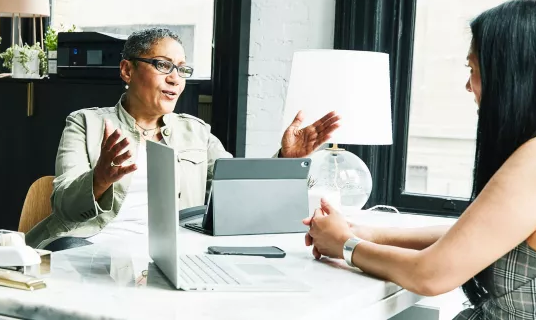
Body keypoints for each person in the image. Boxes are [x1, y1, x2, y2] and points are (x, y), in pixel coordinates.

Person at [303, 0, 536, 319]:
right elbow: (478, 236)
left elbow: (431, 274)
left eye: (472, 69)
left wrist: (345, 245)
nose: (468, 86)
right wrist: (369, 233)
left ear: (512, 76)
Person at [25, 27, 340, 251]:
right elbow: (64, 205)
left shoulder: (196, 131)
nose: (175, 78)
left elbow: (237, 189)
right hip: (88, 245)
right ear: (127, 70)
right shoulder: (86, 123)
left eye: (182, 69)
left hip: (169, 254)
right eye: (163, 65)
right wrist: (101, 178)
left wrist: (287, 160)